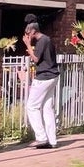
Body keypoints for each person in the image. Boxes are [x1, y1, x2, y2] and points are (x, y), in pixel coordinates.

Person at [23, 15, 59, 148]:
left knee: (32, 106)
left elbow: (36, 59)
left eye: (27, 33)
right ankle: (52, 140)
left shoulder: (42, 41)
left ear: (32, 31)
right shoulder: (47, 40)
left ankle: (41, 137)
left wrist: (27, 45)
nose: (26, 35)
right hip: (53, 76)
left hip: (44, 77)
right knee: (47, 108)